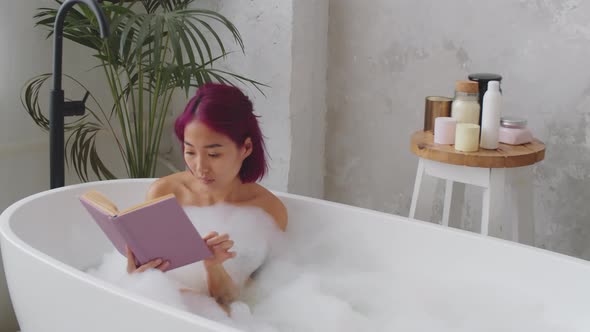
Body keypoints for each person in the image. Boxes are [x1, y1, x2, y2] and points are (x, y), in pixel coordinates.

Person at [125, 83, 288, 310]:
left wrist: (213, 266)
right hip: (161, 310)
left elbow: (242, 301)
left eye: (213, 154)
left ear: (247, 147)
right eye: (190, 151)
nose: (200, 167)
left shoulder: (267, 211)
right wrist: (136, 276)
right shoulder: (164, 193)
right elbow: (148, 283)